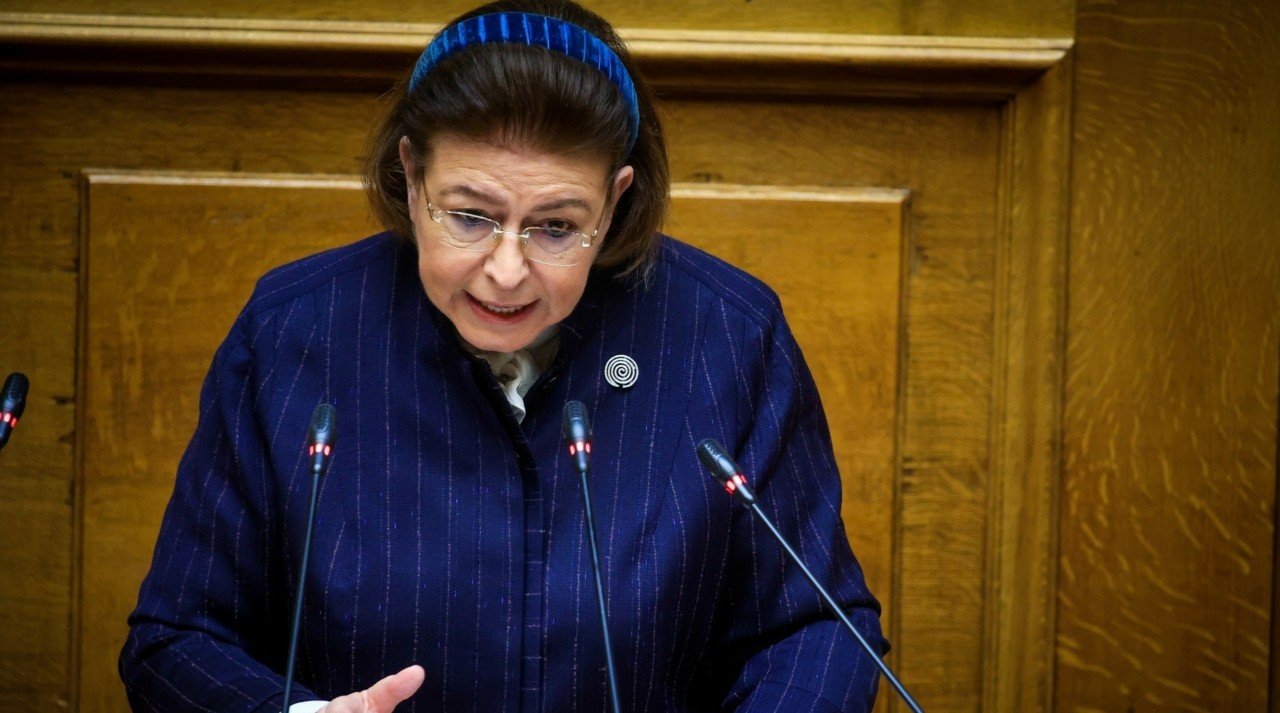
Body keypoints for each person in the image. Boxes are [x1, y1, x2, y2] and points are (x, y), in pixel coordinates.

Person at [119, 1, 887, 711]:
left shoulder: (727, 336)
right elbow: (176, 636)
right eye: (470, 216)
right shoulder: (293, 332)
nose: (507, 270)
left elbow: (816, 629)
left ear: (614, 200)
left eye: (556, 226)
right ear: (412, 176)